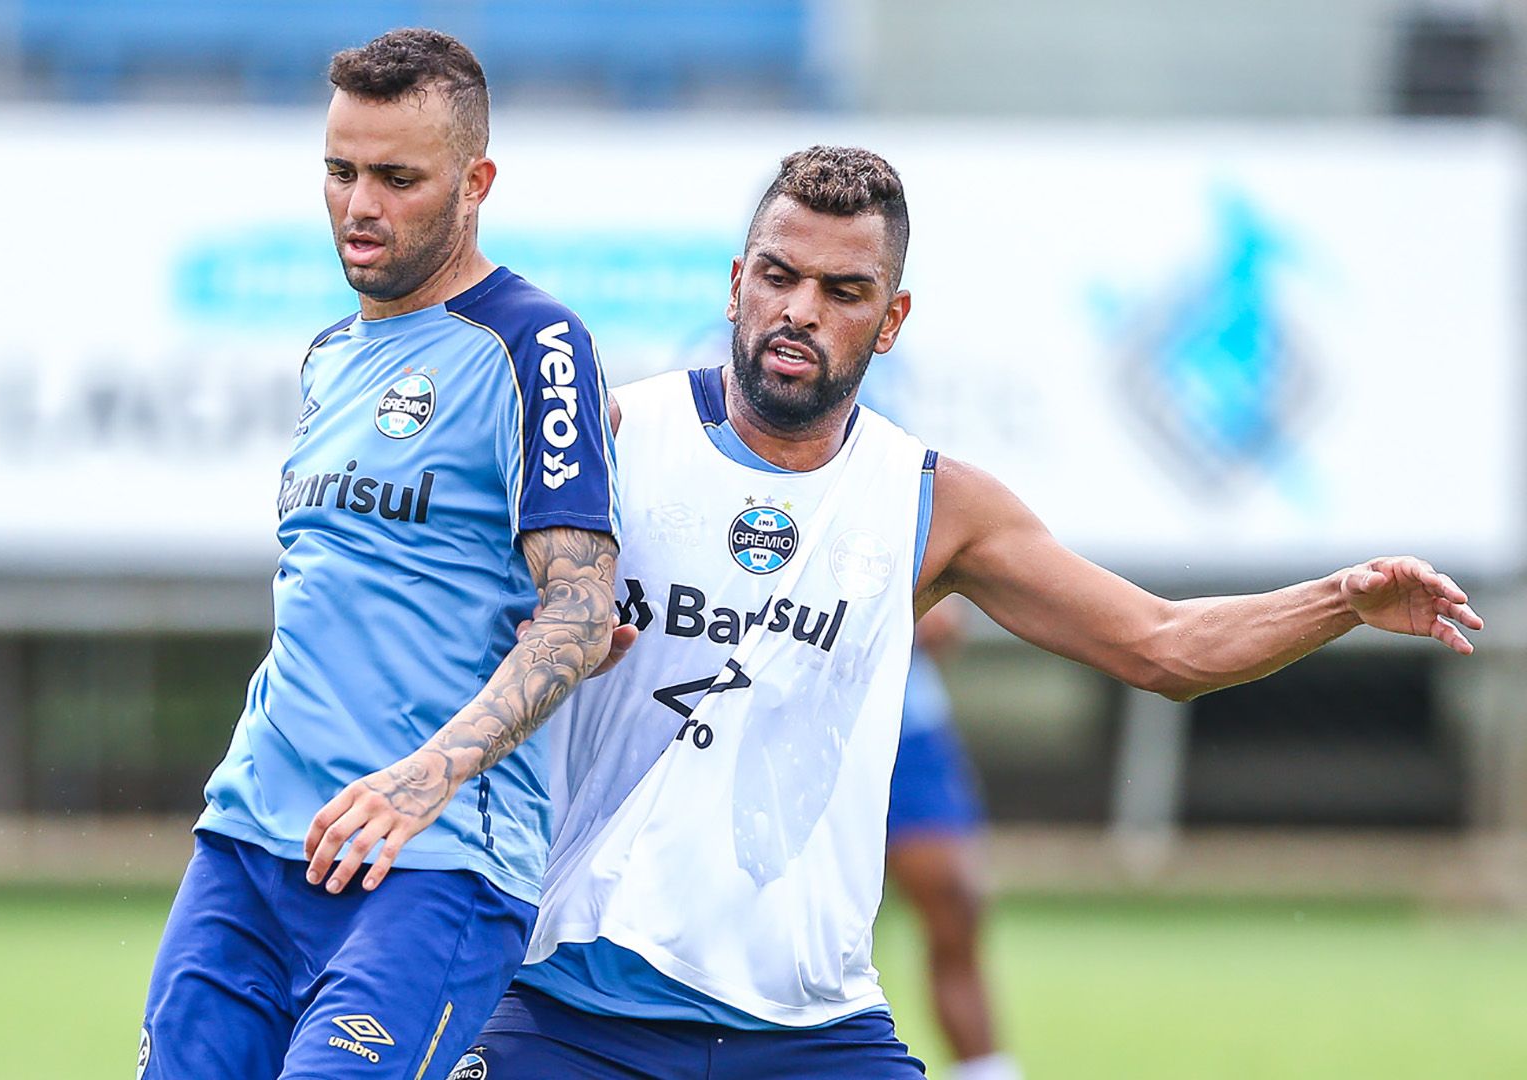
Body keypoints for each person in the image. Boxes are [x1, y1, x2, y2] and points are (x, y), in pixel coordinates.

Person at [460, 145, 1482, 1079]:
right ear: (736, 283)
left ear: (892, 319)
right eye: (779, 276)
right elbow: (452, 617)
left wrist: (1338, 601)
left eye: (843, 290)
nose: (801, 310)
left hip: (812, 1036)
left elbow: (1163, 646)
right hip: (572, 1008)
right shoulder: (613, 433)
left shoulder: (933, 501)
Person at [138, 29, 623, 1080]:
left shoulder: (532, 345)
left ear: (475, 181)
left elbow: (583, 614)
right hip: (250, 845)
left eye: (399, 178)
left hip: (433, 863)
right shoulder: (329, 356)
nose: (361, 205)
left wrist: (419, 780)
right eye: (341, 171)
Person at [889, 602, 1020, 1080]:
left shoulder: (903, 523)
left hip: (908, 733)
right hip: (792, 729)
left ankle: (985, 1072)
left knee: (956, 902)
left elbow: (943, 625)